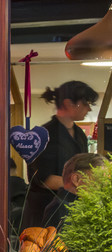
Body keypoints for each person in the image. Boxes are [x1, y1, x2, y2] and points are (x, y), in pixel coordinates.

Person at [22, 81, 99, 230]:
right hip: (45, 212)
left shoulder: (80, 136)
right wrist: (87, 188)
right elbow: (45, 179)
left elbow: (83, 169)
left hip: (71, 209)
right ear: (68, 103)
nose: (89, 108)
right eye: (85, 103)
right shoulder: (44, 135)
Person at [39, 152, 106, 230]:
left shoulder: (80, 204)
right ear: (76, 179)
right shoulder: (62, 209)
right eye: (99, 179)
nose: (104, 186)